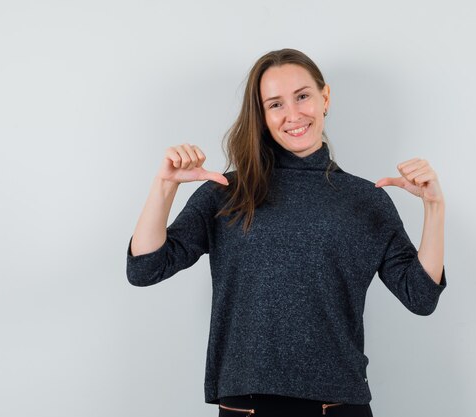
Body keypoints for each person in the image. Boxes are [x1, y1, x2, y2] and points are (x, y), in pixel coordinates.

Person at [126, 48, 447, 417]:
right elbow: (145, 269)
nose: (293, 115)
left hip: (338, 405)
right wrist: (164, 186)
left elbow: (421, 297)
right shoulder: (227, 192)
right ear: (261, 116)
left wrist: (434, 208)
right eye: (275, 104)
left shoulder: (365, 200)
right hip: (247, 406)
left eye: (303, 96)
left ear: (324, 98)